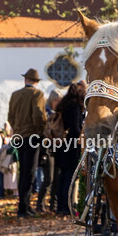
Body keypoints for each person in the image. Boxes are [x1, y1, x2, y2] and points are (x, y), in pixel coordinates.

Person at [7, 68, 47, 218]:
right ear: (36, 82)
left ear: (26, 79)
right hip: (32, 136)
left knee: (22, 172)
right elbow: (38, 114)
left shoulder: (15, 95)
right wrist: (40, 132)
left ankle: (23, 206)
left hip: (18, 137)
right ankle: (24, 207)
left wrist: (17, 129)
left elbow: (10, 117)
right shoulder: (37, 94)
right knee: (30, 173)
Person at [54, 81, 85, 216]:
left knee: (63, 175)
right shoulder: (75, 107)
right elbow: (75, 128)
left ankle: (60, 205)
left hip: (62, 145)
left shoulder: (64, 105)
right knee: (70, 176)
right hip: (71, 145)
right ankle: (66, 206)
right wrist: (83, 136)